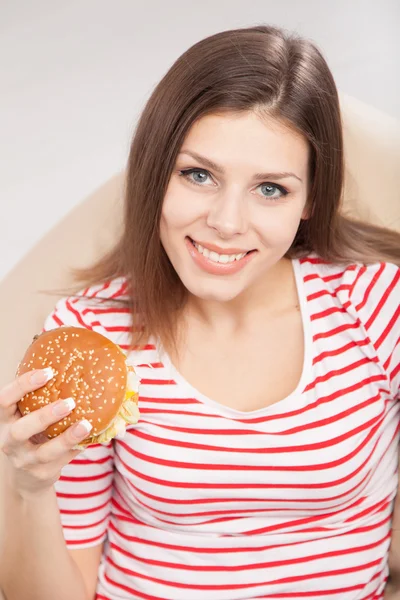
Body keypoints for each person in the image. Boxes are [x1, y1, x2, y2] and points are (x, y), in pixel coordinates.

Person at [0, 23, 399, 600]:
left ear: (311, 198)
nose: (227, 222)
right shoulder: (94, 334)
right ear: (155, 172)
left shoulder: (376, 306)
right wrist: (32, 492)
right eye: (198, 174)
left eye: (270, 189)